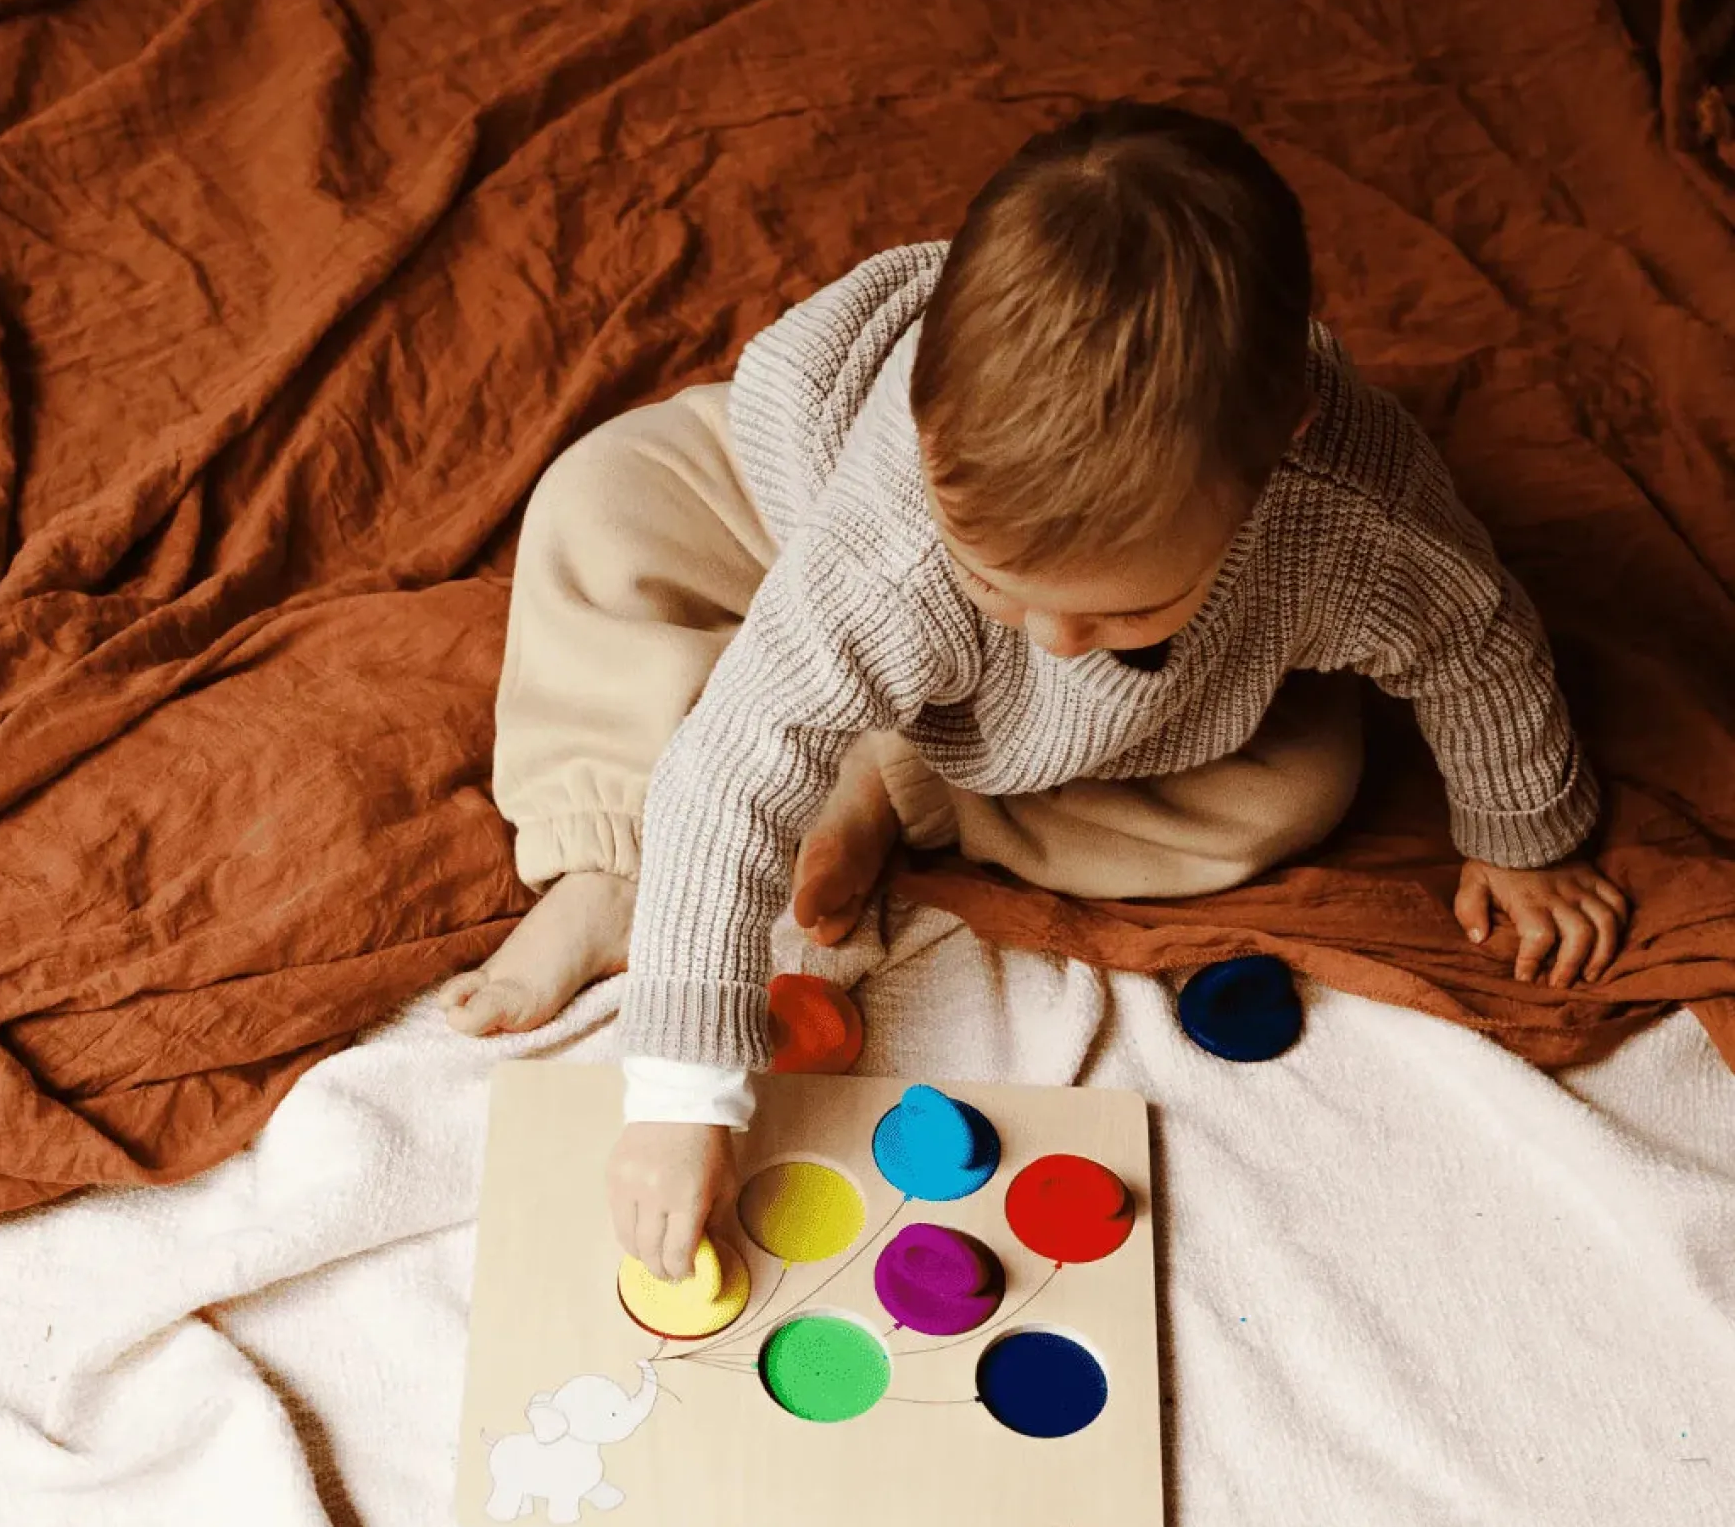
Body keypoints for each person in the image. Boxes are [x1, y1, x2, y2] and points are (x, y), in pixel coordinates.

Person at [439, 102, 1629, 1284]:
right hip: (800, 536)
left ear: (1277, 455)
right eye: (1007, 585)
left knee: (1301, 784)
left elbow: (1478, 640)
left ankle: (893, 785)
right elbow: (734, 761)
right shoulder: (898, 538)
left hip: (1128, 728)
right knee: (600, 507)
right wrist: (682, 1091)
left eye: (1121, 611)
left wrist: (1522, 834)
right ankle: (616, 862)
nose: (1060, 641)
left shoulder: (1353, 524)